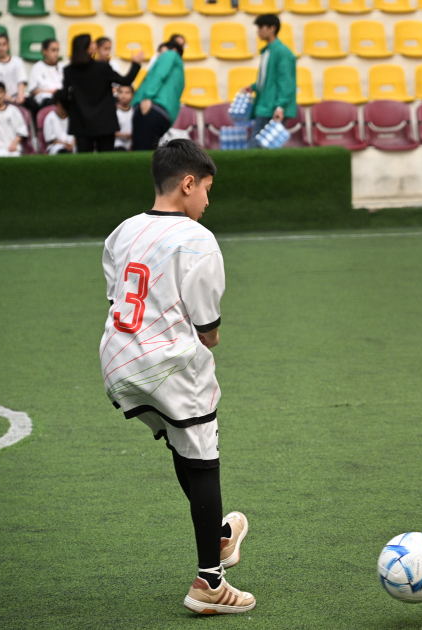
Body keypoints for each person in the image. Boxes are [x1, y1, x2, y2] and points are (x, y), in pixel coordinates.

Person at [99, 139, 254, 616]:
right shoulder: (197, 238)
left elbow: (118, 297)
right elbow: (207, 329)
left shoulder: (122, 231)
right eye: (207, 189)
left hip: (118, 360)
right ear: (188, 184)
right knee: (204, 457)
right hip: (167, 364)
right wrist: (208, 338)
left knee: (181, 442)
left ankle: (220, 536)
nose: (207, 200)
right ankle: (210, 583)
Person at [62, 34, 142, 153]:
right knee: (106, 159)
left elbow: (64, 96)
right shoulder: (103, 68)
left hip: (80, 121)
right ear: (86, 47)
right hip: (105, 121)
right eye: (92, 43)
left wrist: (73, 110)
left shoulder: (69, 70)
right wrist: (135, 64)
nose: (95, 44)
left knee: (85, 160)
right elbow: (126, 81)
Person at [242, 14, 297, 144]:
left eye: (261, 27)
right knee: (260, 149)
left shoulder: (282, 52)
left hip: (271, 109)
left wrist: (280, 107)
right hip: (264, 106)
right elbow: (267, 79)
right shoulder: (268, 51)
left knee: (257, 149)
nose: (258, 31)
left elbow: (286, 82)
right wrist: (253, 87)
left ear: (272, 28)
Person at [131, 39, 185, 151]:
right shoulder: (179, 73)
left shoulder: (171, 54)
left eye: (161, 51)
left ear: (174, 50)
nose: (158, 55)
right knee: (149, 152)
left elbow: (159, 75)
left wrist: (147, 97)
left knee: (141, 152)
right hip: (163, 114)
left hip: (151, 109)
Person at [27, 38, 64, 120]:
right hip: (45, 99)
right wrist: (52, 92)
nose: (56, 53)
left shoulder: (63, 67)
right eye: (53, 50)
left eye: (57, 50)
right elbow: (33, 91)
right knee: (48, 102)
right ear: (45, 51)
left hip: (61, 98)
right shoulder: (37, 67)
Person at [0, 33, 26, 105]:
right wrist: (11, 100)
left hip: (17, 97)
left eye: (4, 44)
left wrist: (20, 97)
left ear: (8, 45)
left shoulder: (17, 61)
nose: (1, 48)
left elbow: (21, 81)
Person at [43, 90, 74, 154]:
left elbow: (78, 136)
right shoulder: (50, 118)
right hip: (56, 146)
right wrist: (64, 144)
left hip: (72, 145)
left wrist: (73, 144)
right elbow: (50, 140)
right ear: (59, 104)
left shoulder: (73, 117)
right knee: (61, 151)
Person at [115, 84, 134, 151]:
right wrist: (125, 135)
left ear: (132, 95)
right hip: (117, 145)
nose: (124, 95)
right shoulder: (113, 112)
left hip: (133, 145)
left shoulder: (135, 112)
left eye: (127, 92)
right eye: (121, 92)